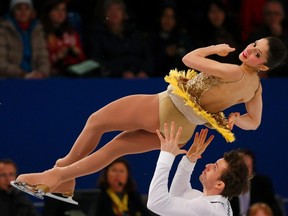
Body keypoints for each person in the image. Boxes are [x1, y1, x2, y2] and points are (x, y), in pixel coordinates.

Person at [13, 36, 287, 201]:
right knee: (115, 147)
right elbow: (255, 122)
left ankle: (55, 174)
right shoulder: (255, 88)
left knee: (97, 121)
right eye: (253, 44)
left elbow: (189, 59)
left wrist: (214, 47)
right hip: (182, 130)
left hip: (168, 108)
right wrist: (236, 119)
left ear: (262, 65)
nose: (249, 51)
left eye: (257, 54)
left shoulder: (233, 71)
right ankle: (65, 182)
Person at [147, 122, 249, 216]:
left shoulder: (207, 208)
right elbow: (179, 194)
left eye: (214, 168)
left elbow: (155, 203)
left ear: (219, 184)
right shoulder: (219, 204)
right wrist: (189, 160)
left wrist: (167, 155)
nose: (207, 165)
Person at [87, 0, 154, 78]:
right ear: (104, 15)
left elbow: (148, 57)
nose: (114, 13)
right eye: (110, 9)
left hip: (140, 79)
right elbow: (97, 61)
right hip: (113, 81)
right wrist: (120, 73)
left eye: (118, 9)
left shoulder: (136, 35)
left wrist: (145, 71)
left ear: (125, 14)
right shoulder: (97, 36)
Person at [0, 0, 50, 79]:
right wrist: (23, 74)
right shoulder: (3, 30)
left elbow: (43, 58)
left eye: (27, 9)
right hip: (9, 79)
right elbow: (1, 63)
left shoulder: (37, 29)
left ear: (31, 11)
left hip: (35, 79)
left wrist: (41, 73)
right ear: (13, 11)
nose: (23, 12)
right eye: (19, 9)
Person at [230, 148, 282, 216]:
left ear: (253, 167)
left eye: (248, 167)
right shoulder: (228, 185)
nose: (244, 171)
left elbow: (273, 208)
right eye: (241, 167)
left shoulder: (263, 184)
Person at [40, 0, 86, 76]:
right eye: (56, 9)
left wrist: (77, 53)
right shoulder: (40, 33)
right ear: (48, 12)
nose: (61, 13)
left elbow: (83, 59)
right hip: (52, 75)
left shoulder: (72, 33)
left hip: (74, 74)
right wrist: (57, 56)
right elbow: (39, 61)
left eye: (63, 10)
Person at [246, 0, 288, 78]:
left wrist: (279, 37)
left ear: (283, 15)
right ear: (264, 15)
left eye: (276, 14)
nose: (272, 17)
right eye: (269, 13)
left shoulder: (286, 33)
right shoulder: (255, 34)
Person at [150, 4, 194, 77]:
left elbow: (192, 64)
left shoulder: (183, 38)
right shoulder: (152, 39)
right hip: (156, 79)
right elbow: (149, 63)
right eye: (165, 16)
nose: (168, 20)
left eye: (171, 17)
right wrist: (165, 53)